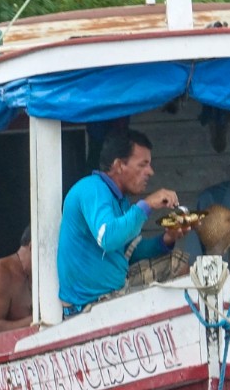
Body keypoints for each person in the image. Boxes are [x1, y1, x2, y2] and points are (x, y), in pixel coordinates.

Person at [57, 128, 184, 314]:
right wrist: (147, 204)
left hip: (115, 292)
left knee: (179, 263)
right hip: (89, 306)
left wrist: (167, 239)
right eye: (143, 164)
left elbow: (129, 251)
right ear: (118, 165)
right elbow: (108, 238)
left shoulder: (120, 200)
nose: (150, 171)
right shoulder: (92, 188)